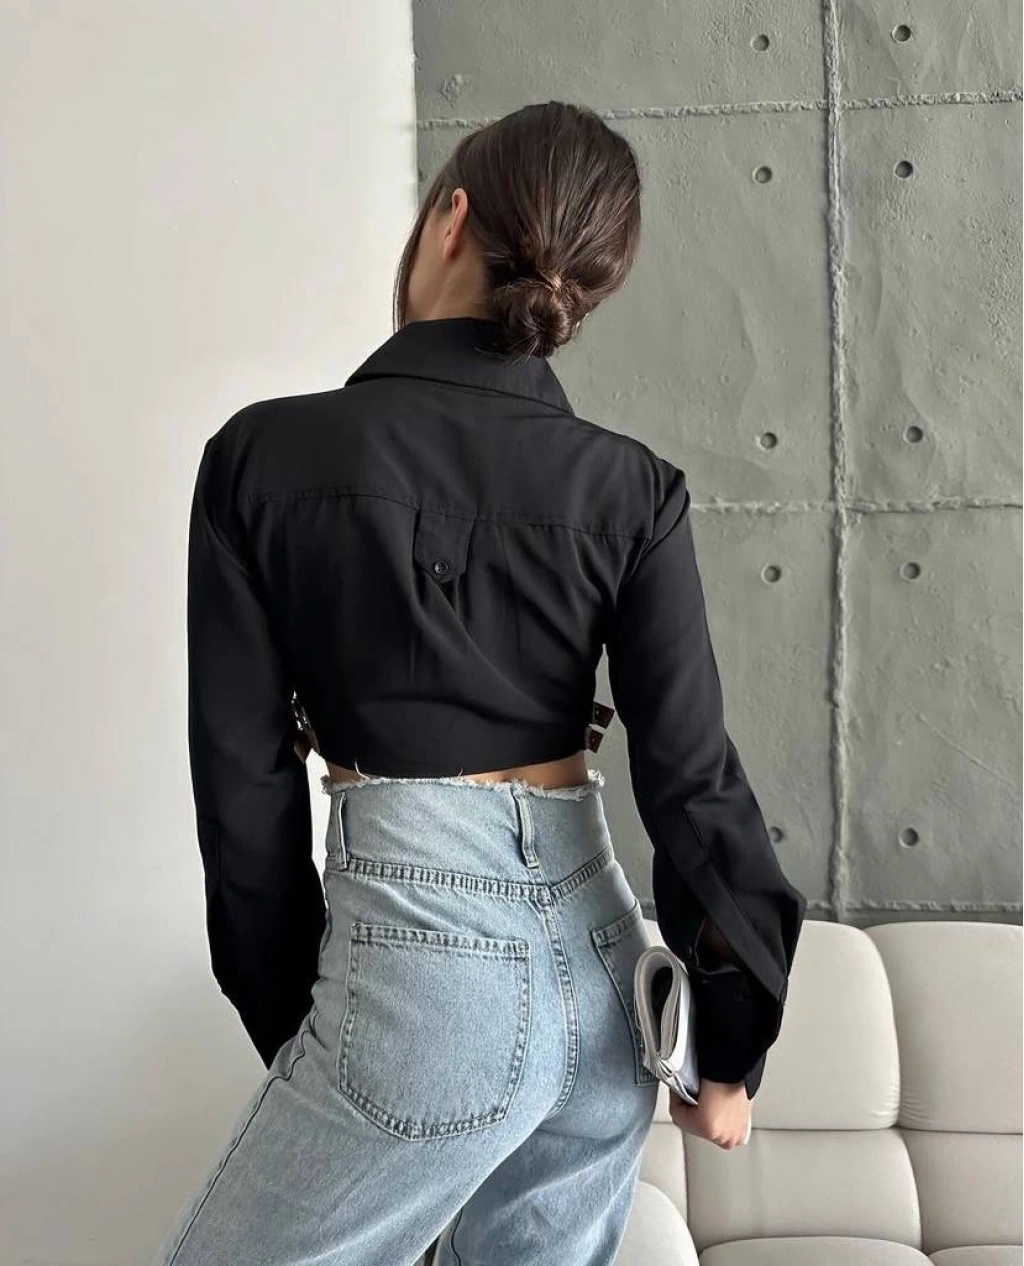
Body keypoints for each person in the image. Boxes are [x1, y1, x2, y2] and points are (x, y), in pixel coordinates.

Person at [154, 100, 806, 1266]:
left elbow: (243, 793)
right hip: (607, 987)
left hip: (422, 974)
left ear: (450, 219)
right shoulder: (630, 490)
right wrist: (729, 1046)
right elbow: (692, 777)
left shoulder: (261, 459)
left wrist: (302, 1018)